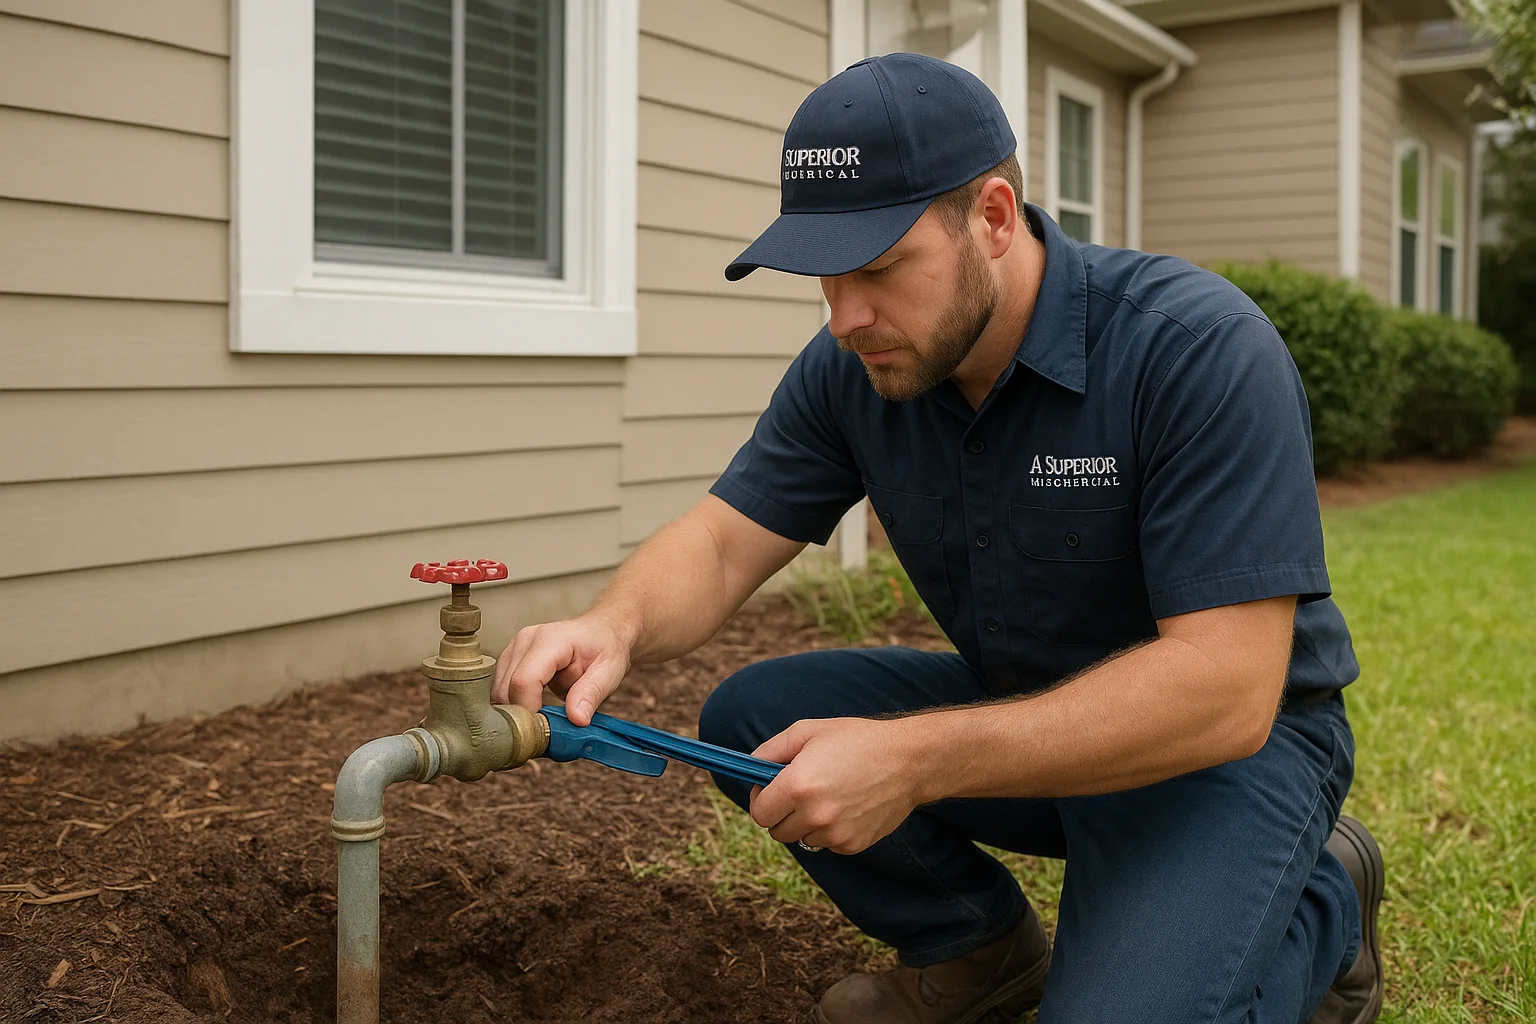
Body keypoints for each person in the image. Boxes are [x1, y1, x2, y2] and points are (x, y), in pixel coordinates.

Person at [493, 52, 1384, 1024]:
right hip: (1029, 718)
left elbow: (1224, 690)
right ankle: (976, 951)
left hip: (1222, 754)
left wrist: (913, 760)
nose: (844, 318)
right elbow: (719, 542)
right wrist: (611, 625)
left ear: (994, 219)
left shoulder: (1195, 351)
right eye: (822, 278)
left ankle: (1328, 895)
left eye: (877, 269)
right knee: (761, 714)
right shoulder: (859, 366)